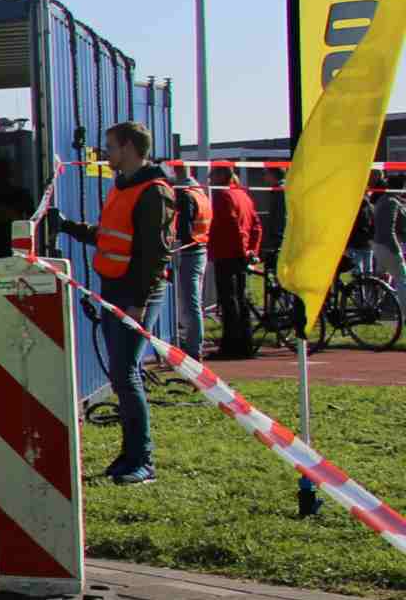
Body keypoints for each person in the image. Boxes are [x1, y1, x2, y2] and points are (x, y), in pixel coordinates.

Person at [51, 121, 175, 486]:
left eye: (111, 146)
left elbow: (155, 255)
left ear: (129, 148)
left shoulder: (154, 192)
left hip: (135, 295)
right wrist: (68, 226)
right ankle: (129, 454)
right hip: (114, 288)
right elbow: (109, 237)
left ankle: (142, 460)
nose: (106, 153)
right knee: (121, 375)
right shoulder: (122, 187)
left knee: (126, 373)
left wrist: (138, 303)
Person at [209, 165, 263, 359]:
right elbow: (256, 226)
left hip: (227, 254)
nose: (210, 178)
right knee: (241, 299)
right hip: (239, 254)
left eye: (213, 174)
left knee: (229, 301)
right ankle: (245, 344)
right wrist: (252, 251)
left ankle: (231, 347)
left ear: (221, 175)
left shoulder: (222, 196)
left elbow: (232, 227)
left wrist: (242, 251)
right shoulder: (243, 195)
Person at [167, 161, 212, 360]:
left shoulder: (185, 195)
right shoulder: (199, 192)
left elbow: (184, 230)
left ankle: (194, 349)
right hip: (201, 248)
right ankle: (194, 344)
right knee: (194, 302)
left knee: (191, 302)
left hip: (190, 251)